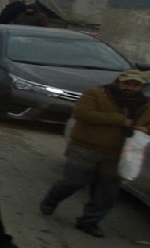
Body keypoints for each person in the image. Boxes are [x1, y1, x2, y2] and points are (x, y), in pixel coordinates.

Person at [40, 69, 149, 237]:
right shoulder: (97, 94)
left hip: (117, 154)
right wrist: (121, 121)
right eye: (127, 83)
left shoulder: (145, 104)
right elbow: (82, 114)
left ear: (141, 86)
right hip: (85, 147)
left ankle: (89, 222)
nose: (130, 87)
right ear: (118, 82)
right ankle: (51, 201)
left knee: (107, 192)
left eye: (135, 85)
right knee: (73, 182)